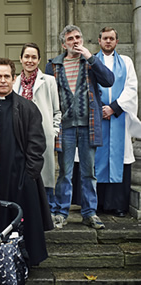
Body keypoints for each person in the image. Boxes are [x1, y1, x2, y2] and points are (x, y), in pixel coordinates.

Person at [0, 58, 53, 266]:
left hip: (22, 176)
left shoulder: (27, 108)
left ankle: (27, 259)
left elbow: (37, 144)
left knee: (25, 221)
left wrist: (30, 174)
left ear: (14, 79)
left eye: (7, 76)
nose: (3, 80)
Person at [45, 25, 114, 230]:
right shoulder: (53, 66)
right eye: (70, 38)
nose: (75, 41)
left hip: (88, 125)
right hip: (65, 127)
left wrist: (91, 57)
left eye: (78, 37)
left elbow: (109, 80)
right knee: (64, 172)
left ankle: (89, 213)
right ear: (63, 43)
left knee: (88, 172)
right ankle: (61, 212)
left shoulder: (90, 62)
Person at [95, 27, 141, 217]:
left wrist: (114, 107)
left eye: (111, 38)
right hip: (97, 118)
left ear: (116, 41)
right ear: (99, 41)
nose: (108, 41)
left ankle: (118, 206)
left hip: (118, 116)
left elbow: (131, 88)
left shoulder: (127, 62)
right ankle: (97, 205)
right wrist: (99, 110)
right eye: (105, 38)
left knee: (119, 158)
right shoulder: (92, 61)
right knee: (97, 160)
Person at [13, 42, 61, 213]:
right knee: (24, 173)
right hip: (20, 135)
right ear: (21, 59)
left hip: (42, 134)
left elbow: (57, 111)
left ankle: (47, 211)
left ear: (39, 60)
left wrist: (53, 131)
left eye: (34, 57)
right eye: (27, 56)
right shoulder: (14, 82)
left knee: (44, 174)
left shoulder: (48, 81)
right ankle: (26, 211)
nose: (30, 60)